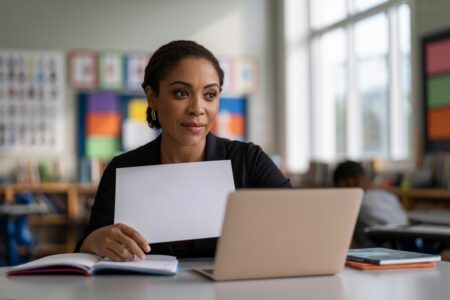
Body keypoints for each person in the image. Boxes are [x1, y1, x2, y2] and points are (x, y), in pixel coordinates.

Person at [75, 40, 291, 261]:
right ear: (152, 97)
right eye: (181, 93)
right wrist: (95, 242)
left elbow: (298, 222)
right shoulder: (123, 168)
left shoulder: (248, 161)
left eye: (210, 95)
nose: (197, 109)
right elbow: (89, 246)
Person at [333, 160, 409, 248]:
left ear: (346, 182)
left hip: (376, 253)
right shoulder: (388, 196)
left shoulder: (360, 203)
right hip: (405, 246)